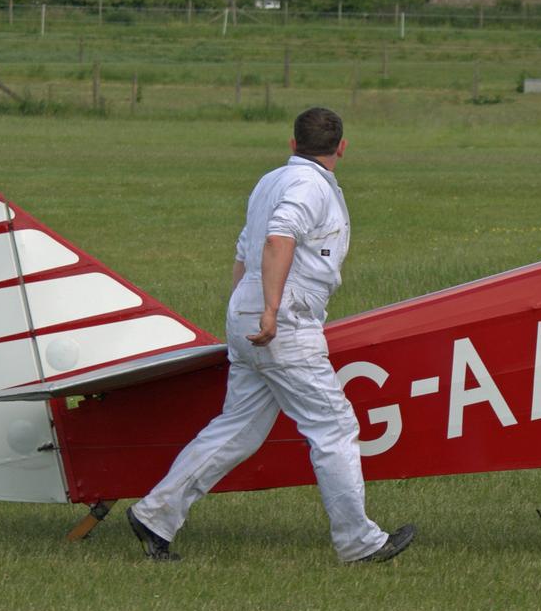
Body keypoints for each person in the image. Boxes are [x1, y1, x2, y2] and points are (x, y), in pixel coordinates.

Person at [127, 107, 414, 564]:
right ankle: (359, 542)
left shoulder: (270, 182)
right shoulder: (310, 186)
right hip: (284, 320)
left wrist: (247, 311)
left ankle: (155, 515)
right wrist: (271, 310)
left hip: (250, 312)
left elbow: (247, 250)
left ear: (292, 142)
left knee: (237, 429)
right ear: (342, 147)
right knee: (334, 427)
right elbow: (278, 238)